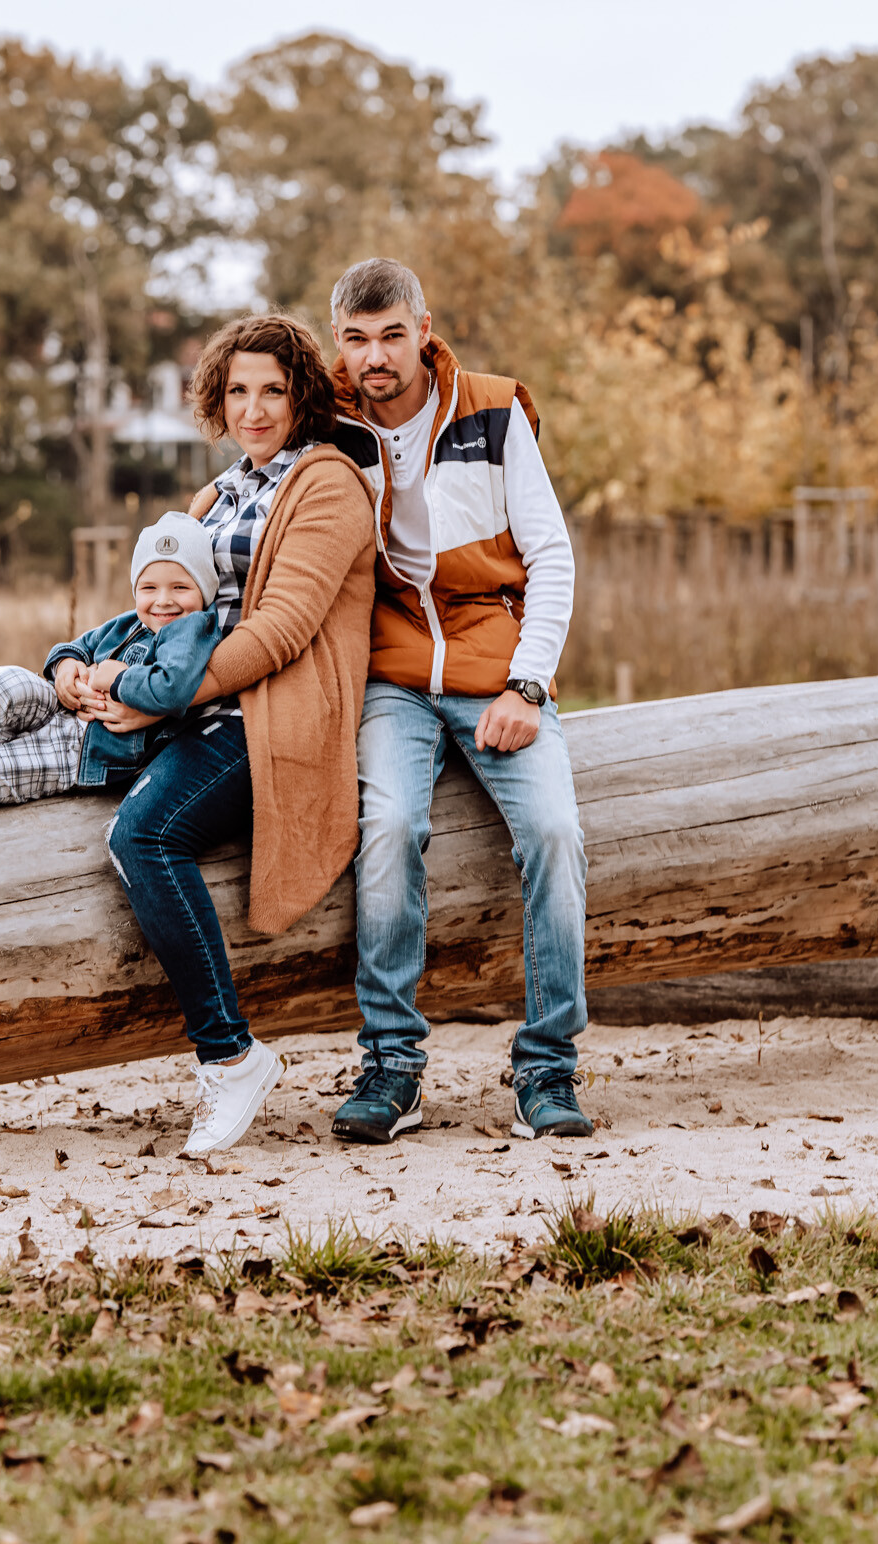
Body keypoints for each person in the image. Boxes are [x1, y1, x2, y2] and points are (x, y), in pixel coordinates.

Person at [94, 313, 376, 1159]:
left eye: (273, 391)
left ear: (302, 398)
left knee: (143, 834)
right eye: (237, 391)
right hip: (195, 707)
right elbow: (165, 609)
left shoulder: (327, 485)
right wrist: (83, 667)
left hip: (272, 718)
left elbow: (283, 627)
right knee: (30, 731)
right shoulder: (218, 495)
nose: (253, 409)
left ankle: (230, 1056)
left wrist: (159, 700)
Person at [326, 257, 590, 1144]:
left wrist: (527, 684)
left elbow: (550, 557)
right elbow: (246, 490)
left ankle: (546, 1069)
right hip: (391, 674)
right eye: (357, 339)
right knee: (388, 828)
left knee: (553, 832)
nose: (375, 356)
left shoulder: (491, 410)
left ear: (423, 330)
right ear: (338, 342)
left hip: (495, 667)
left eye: (391, 335)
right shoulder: (326, 426)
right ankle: (391, 1066)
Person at [0, 513, 224, 818]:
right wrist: (65, 668)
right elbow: (78, 646)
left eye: (180, 588)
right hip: (59, 711)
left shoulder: (192, 630)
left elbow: (172, 687)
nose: (163, 600)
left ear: (204, 590)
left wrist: (118, 678)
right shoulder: (132, 622)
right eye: (149, 588)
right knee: (4, 681)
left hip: (79, 753)